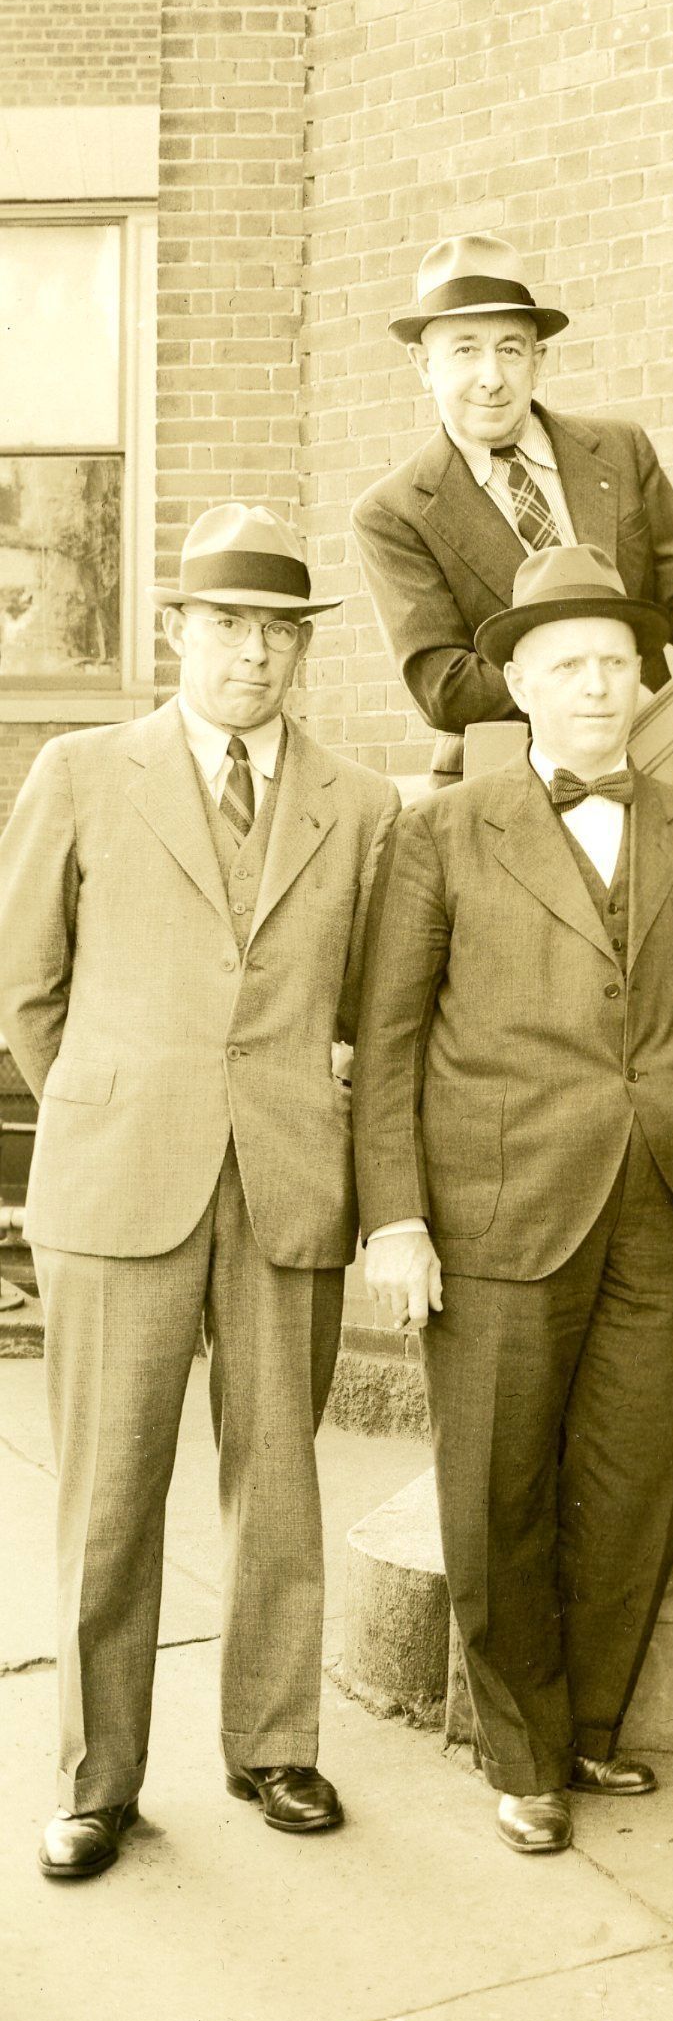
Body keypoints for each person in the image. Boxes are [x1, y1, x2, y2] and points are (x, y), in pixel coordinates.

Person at [0, 506, 398, 1881]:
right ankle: (95, 1779)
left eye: (278, 631)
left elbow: (370, 1008)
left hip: (285, 1177)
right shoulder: (80, 771)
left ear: (303, 650)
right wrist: (113, 1098)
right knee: (110, 1491)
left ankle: (274, 1746)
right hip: (120, 1178)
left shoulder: (362, 804)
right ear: (177, 631)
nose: (252, 653)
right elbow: (26, 991)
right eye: (227, 625)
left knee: (277, 1478)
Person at [354, 543, 673, 1856]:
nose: (595, 686)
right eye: (567, 664)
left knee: (633, 1483)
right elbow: (389, 1042)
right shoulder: (442, 831)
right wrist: (397, 1217)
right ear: (519, 683)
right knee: (497, 1487)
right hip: (501, 1209)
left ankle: (587, 1721)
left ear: (643, 678)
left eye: (615, 663)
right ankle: (522, 1755)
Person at [353, 233, 673, 780]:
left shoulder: (621, 450)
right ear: (423, 364)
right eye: (465, 350)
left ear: (537, 359)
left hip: (652, 763)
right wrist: (601, 688)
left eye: (510, 349)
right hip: (503, 786)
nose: (491, 378)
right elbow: (444, 686)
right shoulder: (392, 512)